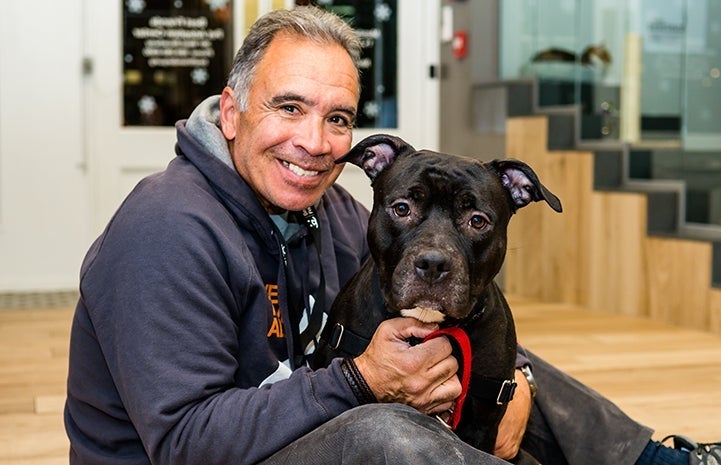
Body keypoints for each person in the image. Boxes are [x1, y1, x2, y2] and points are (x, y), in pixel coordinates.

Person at [64, 6, 719, 465]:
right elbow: (182, 443)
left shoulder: (332, 210)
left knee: (475, 345)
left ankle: (659, 462)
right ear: (232, 112)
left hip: (289, 425)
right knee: (387, 433)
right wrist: (357, 380)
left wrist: (512, 381)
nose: (314, 142)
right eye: (288, 107)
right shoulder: (164, 230)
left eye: (337, 117)